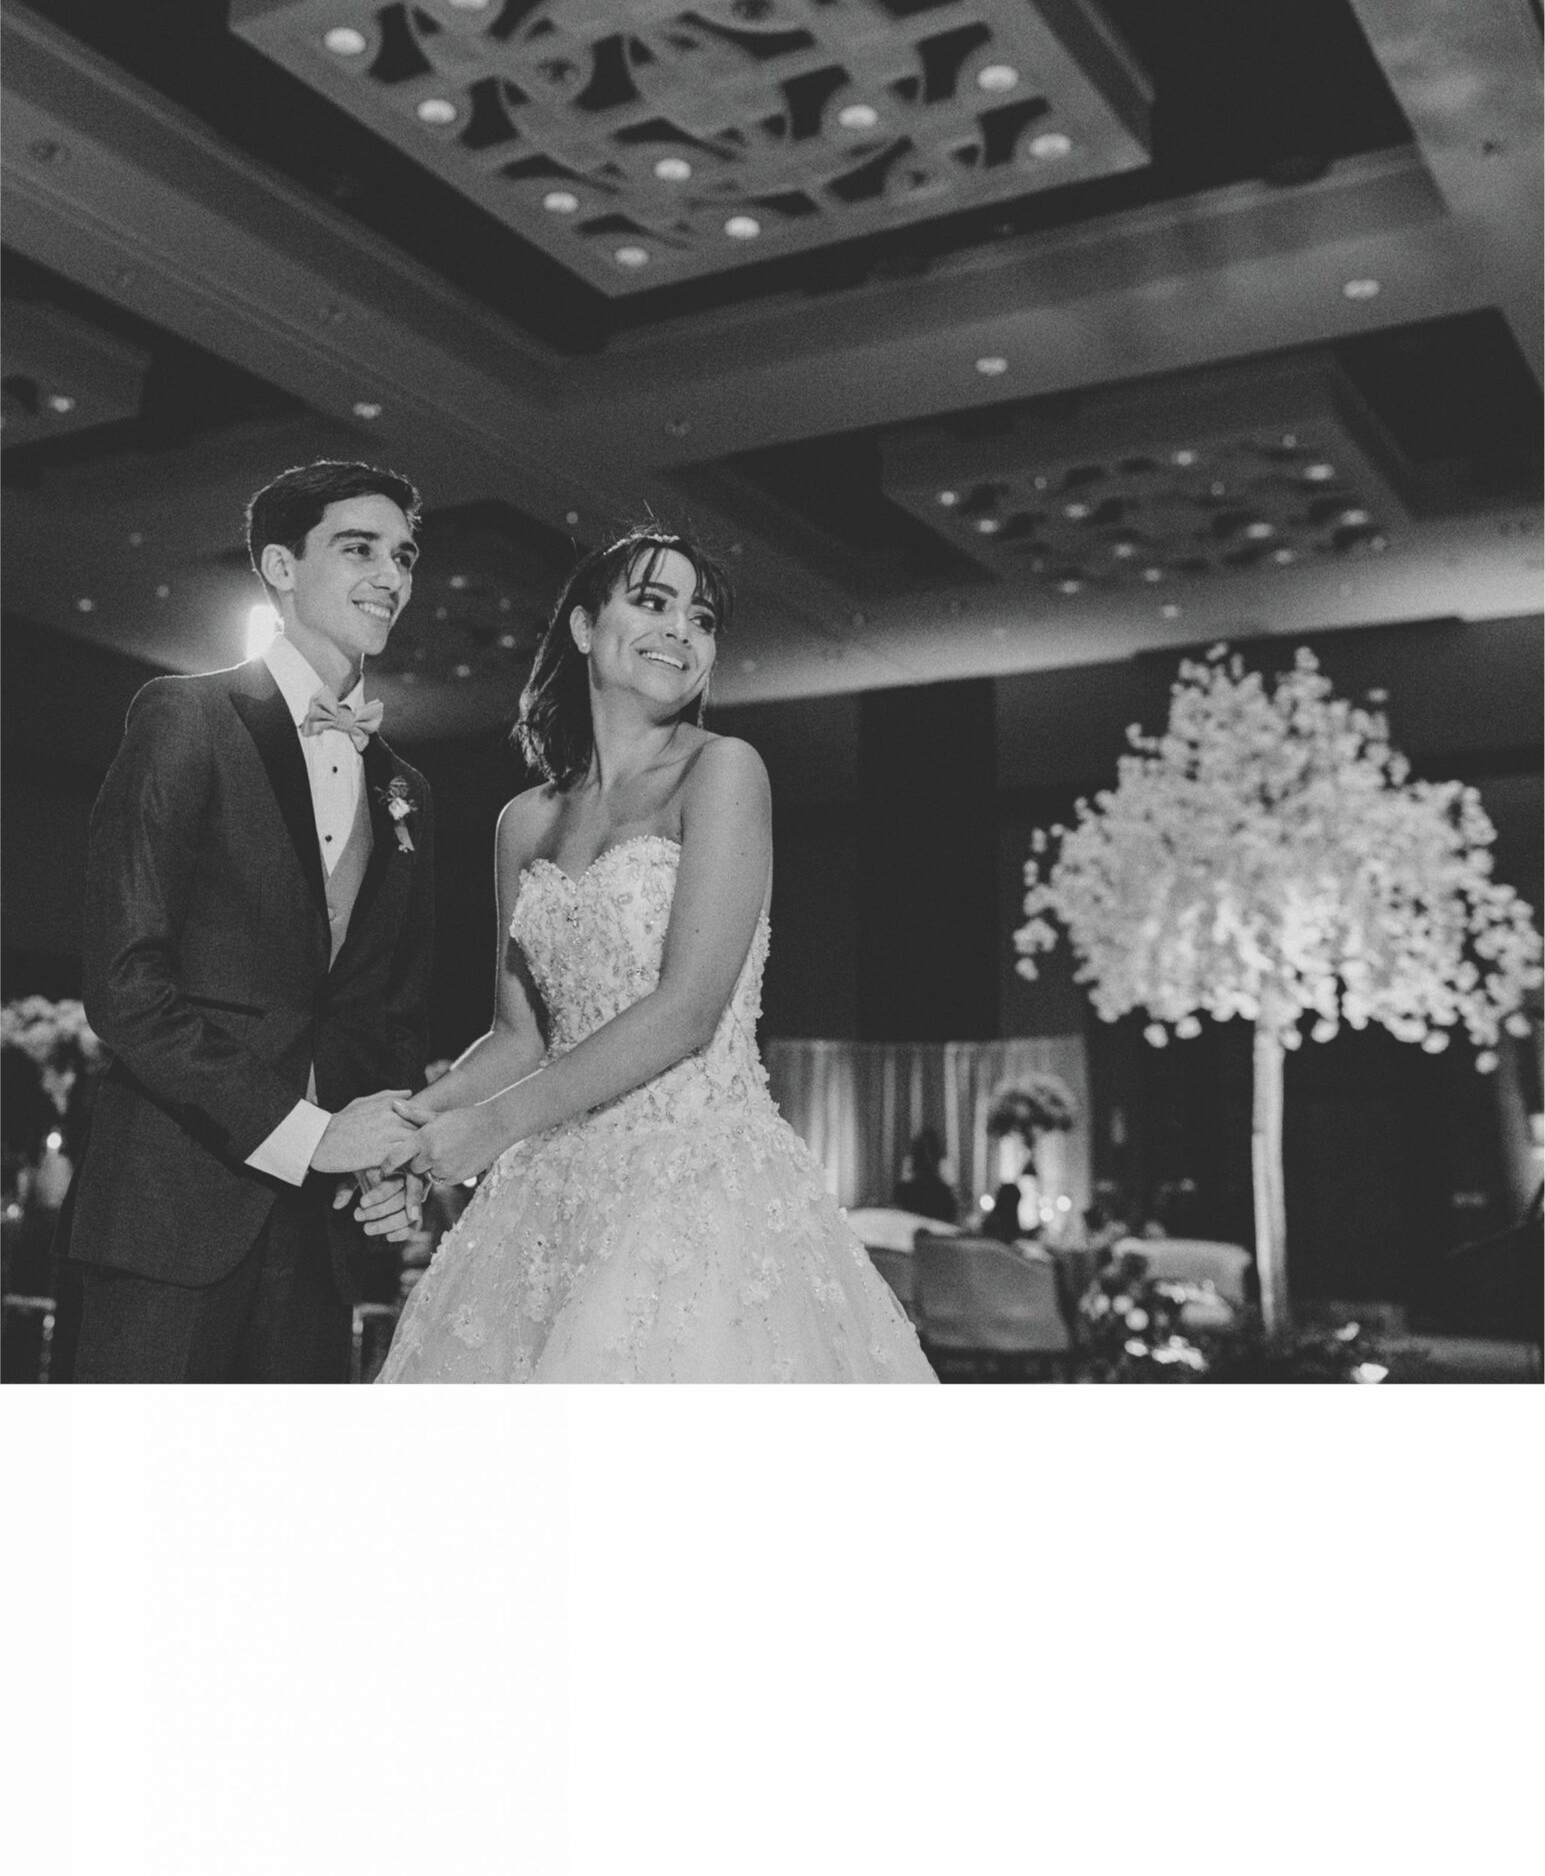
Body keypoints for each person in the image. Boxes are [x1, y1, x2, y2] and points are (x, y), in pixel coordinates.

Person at [360, 526, 936, 1383]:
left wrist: (490, 1130)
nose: (680, 630)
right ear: (583, 626)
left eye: (701, 619)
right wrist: (413, 1128)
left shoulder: (724, 771)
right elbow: (519, 1037)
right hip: (550, 1196)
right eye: (653, 602)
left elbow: (687, 1010)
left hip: (693, 1188)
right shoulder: (524, 820)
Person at [53, 461, 435, 1382]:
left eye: (404, 556)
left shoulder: (406, 788)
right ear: (280, 566)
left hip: (321, 1239)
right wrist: (307, 1134)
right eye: (359, 549)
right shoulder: (185, 717)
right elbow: (126, 985)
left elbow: (385, 1012)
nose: (390, 575)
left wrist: (391, 1160)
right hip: (170, 1216)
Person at [893, 1126, 958, 1225]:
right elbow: (953, 1189)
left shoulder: (909, 1164)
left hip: (914, 1209)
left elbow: (903, 1186)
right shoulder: (944, 1166)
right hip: (939, 1213)